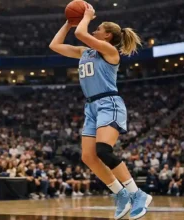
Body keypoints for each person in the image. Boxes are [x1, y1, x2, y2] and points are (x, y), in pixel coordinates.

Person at [49, 3, 151, 220]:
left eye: (98, 30)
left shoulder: (110, 51)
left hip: (109, 103)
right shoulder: (85, 52)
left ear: (107, 36)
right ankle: (120, 194)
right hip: (91, 107)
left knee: (104, 150)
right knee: (88, 156)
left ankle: (137, 194)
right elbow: (55, 45)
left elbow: (81, 32)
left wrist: (86, 16)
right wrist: (67, 24)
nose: (94, 30)